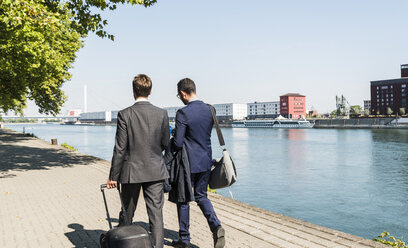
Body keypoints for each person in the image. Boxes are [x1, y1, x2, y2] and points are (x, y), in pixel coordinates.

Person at [106, 74, 170, 248]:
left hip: (131, 171)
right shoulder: (162, 114)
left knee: (127, 212)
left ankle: (125, 244)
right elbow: (166, 143)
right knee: (156, 214)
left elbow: (120, 148)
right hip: (156, 170)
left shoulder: (125, 114)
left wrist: (113, 176)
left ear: (133, 91)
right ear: (151, 90)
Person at [171, 78, 225, 248]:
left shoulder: (183, 113)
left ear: (182, 93)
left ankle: (185, 240)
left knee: (183, 199)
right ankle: (216, 226)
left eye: (178, 95)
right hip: (205, 161)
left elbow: (178, 142)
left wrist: (168, 142)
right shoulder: (210, 109)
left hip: (187, 164)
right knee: (202, 196)